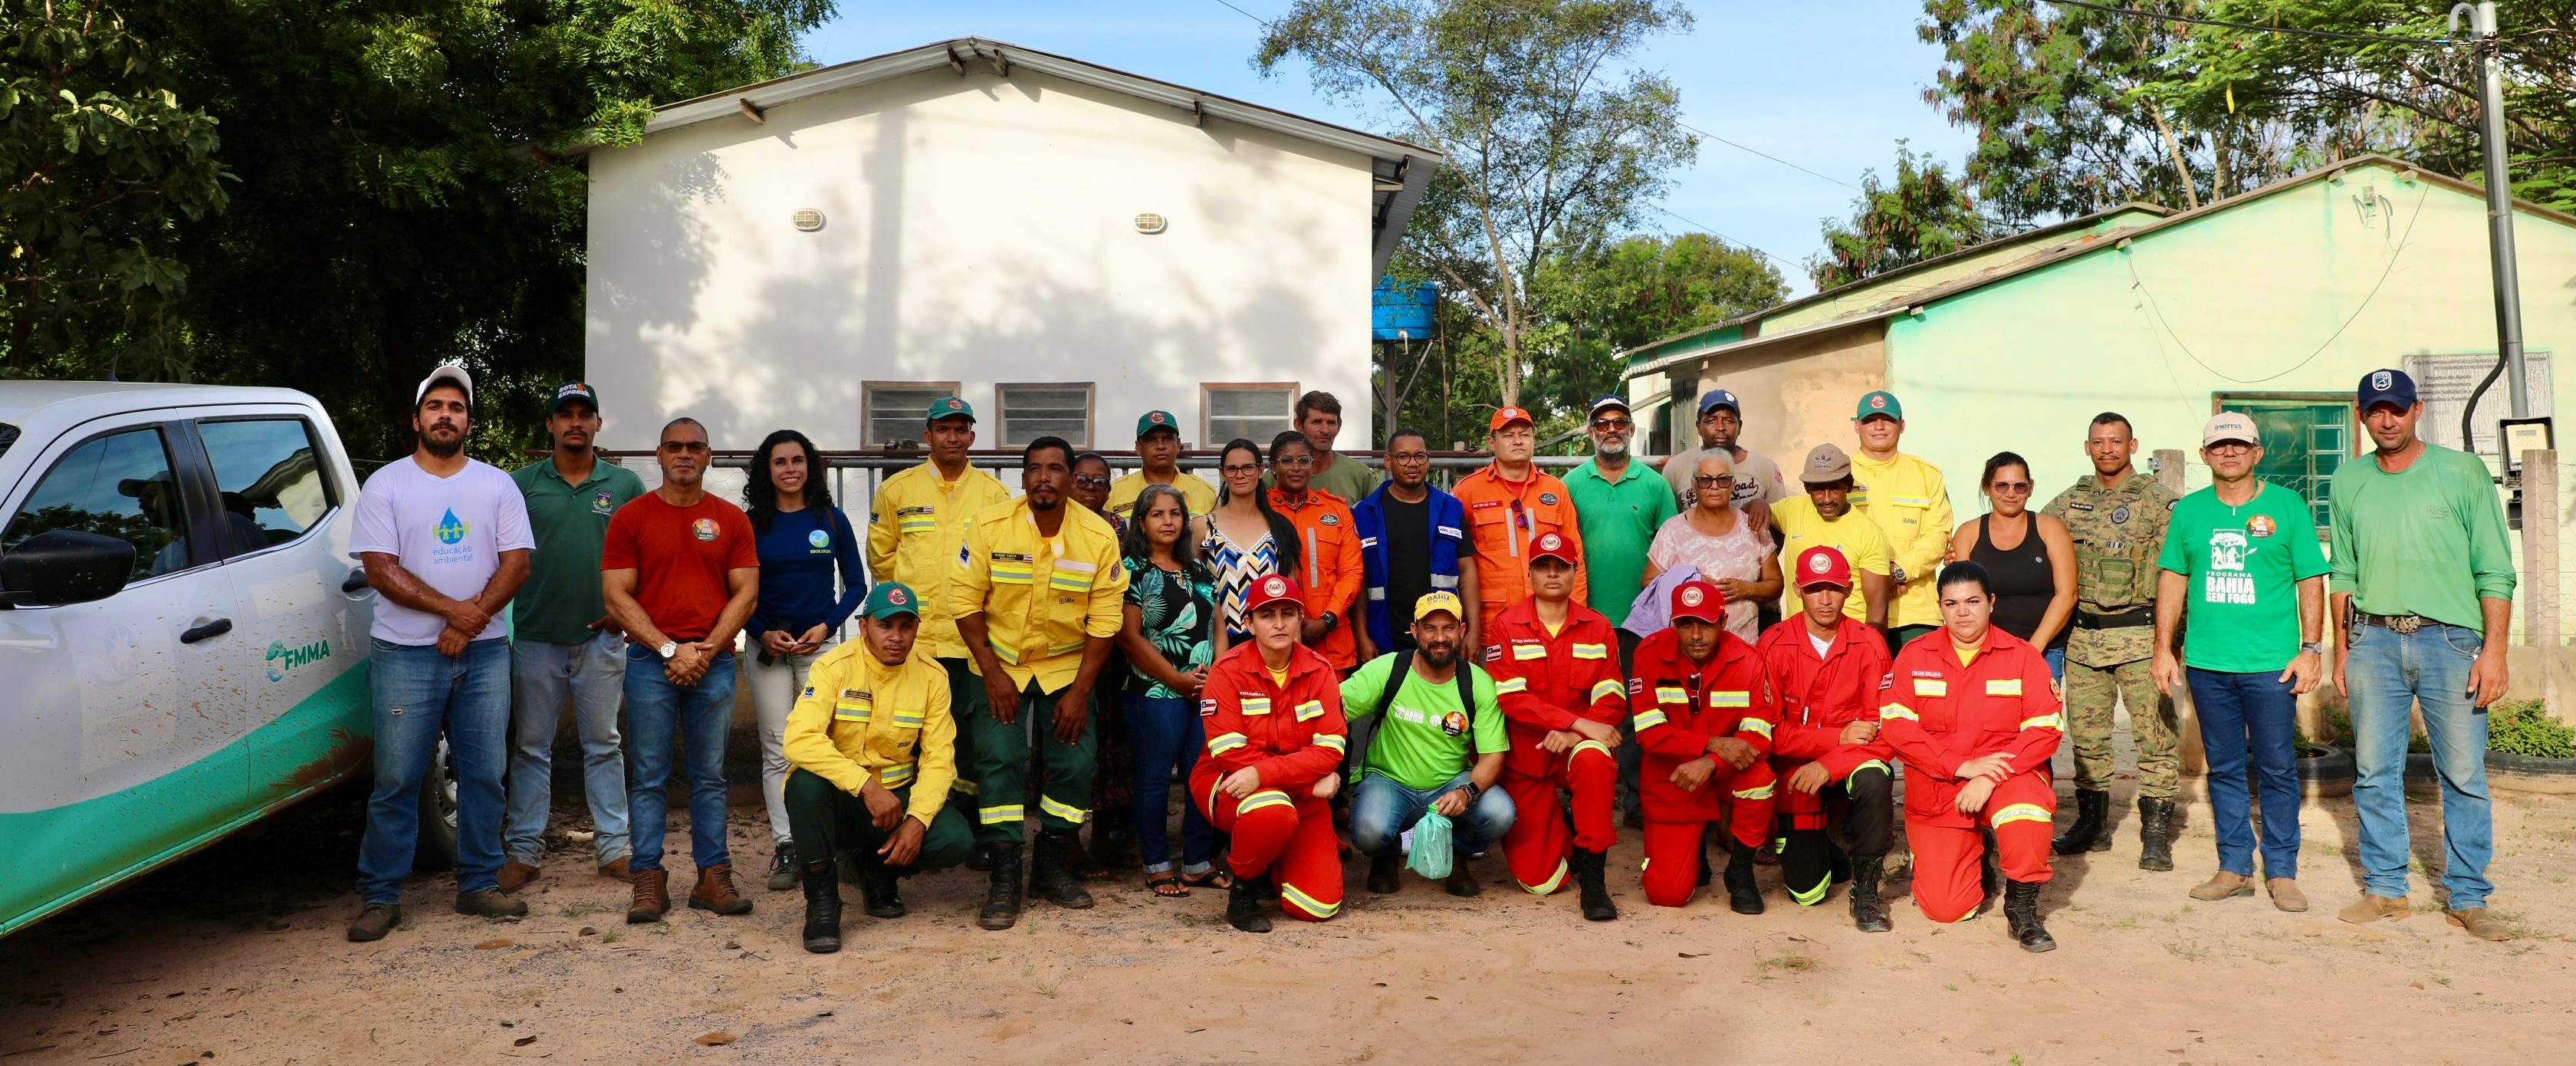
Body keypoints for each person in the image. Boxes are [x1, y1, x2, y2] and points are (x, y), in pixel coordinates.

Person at [346, 364, 534, 942]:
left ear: (469, 423)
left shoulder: (496, 485)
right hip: (405, 654)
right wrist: (459, 613)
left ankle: (477, 883)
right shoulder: (387, 485)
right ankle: (381, 894)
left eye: (456, 407)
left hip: (482, 656)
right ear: (417, 420)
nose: (445, 414)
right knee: (398, 777)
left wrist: (469, 619)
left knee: (484, 774)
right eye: (436, 406)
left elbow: (517, 563)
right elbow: (380, 569)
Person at [2328, 369, 2515, 941]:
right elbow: (2343, 570)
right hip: (2373, 642)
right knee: (2372, 773)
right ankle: (2387, 890)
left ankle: (2469, 898)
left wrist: (2495, 652)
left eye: (2399, 409)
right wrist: (2342, 650)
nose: (2388, 420)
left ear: (2418, 410)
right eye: (2376, 410)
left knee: (2461, 774)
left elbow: (2495, 568)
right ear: (2362, 414)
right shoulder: (2348, 479)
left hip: (2451, 641)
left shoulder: (2462, 472)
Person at [2151, 413, 2328, 913]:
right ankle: (2234, 868)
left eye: (2239, 445)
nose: (2229, 453)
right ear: (2204, 456)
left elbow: (2311, 579)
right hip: (2209, 664)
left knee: (2276, 767)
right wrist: (2165, 647)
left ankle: (2282, 871)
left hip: (2272, 665)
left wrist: (2311, 649)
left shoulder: (2287, 506)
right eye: (2219, 447)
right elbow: (2173, 579)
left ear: (2257, 453)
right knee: (2224, 768)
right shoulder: (2189, 513)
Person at [950, 436, 1130, 930]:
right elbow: (964, 602)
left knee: (1074, 762)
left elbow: (1105, 620)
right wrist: (991, 674)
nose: (1043, 478)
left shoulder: (1097, 536)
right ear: (1022, 477)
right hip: (999, 666)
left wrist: (1078, 693)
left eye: (1055, 469)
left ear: (1071, 479)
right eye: (1034, 469)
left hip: (1066, 668)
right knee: (999, 759)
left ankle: (1050, 866)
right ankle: (1005, 875)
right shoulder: (989, 526)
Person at [602, 416, 761, 924]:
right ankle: (649, 876)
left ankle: (713, 874)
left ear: (709, 456)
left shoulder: (732, 520)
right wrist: (672, 650)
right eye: (675, 446)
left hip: (711, 664)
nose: (685, 454)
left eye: (695, 446)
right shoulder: (630, 518)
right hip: (651, 662)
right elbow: (615, 594)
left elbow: (747, 593)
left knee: (710, 776)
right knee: (648, 776)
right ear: (659, 455)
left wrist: (706, 650)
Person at [1877, 562, 2063, 951]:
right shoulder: (1915, 656)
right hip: (1939, 788)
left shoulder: (2022, 656)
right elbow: (1896, 726)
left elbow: (2045, 728)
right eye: (1952, 603)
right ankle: (1974, 854)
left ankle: (2022, 906)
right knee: (1946, 910)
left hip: (2005, 777)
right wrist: (1959, 766)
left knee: (2026, 810)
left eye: (1973, 601)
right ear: (1940, 607)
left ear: (1991, 603)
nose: (1963, 612)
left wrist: (1988, 776)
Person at [501, 381, 642, 894]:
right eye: (567, 414)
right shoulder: (519, 484)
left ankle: (614, 849)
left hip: (601, 640)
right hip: (535, 636)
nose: (576, 422)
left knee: (603, 744)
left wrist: (624, 616)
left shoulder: (624, 486)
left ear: (599, 424)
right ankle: (523, 851)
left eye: (586, 414)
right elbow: (501, 555)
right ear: (551, 425)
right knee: (531, 747)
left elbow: (643, 557)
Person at [778, 582, 974, 952]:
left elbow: (939, 760)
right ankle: (822, 904)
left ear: (918, 628)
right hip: (846, 800)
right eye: (886, 626)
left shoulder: (932, 676)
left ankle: (878, 870)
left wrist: (917, 821)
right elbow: (798, 739)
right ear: (864, 627)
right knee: (804, 785)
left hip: (897, 802)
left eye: (906, 626)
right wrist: (866, 786)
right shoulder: (833, 667)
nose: (896, 637)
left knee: (955, 840)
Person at [866, 396, 1014, 850]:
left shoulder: (993, 494)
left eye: (960, 429)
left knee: (970, 742)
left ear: (972, 437)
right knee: (908, 737)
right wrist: (906, 616)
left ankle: (966, 830)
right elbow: (881, 556)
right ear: (927, 436)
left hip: (970, 643)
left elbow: (1000, 564)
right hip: (914, 643)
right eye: (943, 429)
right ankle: (907, 827)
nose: (952, 437)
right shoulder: (898, 490)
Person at [2040, 412, 2180, 865]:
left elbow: (2181, 575)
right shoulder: (2066, 504)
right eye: (2098, 442)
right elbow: (2028, 542)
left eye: (2116, 441)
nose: (2107, 449)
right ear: (2087, 447)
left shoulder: (2161, 503)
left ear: (2133, 445)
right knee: (2088, 739)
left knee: (2155, 738)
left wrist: (2173, 643)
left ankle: (2155, 833)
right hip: (2084, 641)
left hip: (2142, 638)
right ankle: (2092, 825)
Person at [743, 429, 868, 892]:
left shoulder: (831, 520)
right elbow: (737, 591)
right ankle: (787, 846)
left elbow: (856, 584)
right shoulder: (752, 523)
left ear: (811, 468)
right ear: (767, 470)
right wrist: (761, 633)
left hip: (822, 652)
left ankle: (838, 842)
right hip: (768, 650)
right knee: (777, 748)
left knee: (832, 743)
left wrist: (827, 626)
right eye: (780, 462)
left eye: (799, 460)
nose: (791, 469)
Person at [1193, 574, 1352, 932]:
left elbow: (1331, 751)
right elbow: (1229, 754)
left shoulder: (1321, 672)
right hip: (1230, 784)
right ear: (1248, 623)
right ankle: (1244, 892)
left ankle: (1274, 859)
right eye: (1267, 615)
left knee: (1318, 906)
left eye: (1288, 613)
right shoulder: (1227, 672)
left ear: (1300, 619)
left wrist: (1268, 775)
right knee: (1272, 811)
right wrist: (1306, 787)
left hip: (1280, 787)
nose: (1279, 624)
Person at [1486, 533, 1628, 918]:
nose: (1552, 574)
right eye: (1543, 566)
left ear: (1574, 573)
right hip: (1528, 755)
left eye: (1561, 567)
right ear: (1529, 572)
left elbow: (1612, 699)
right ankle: (1565, 828)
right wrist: (1575, 721)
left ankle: (1594, 879)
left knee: (1596, 762)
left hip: (1580, 747)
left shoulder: (1598, 627)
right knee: (1541, 880)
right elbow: (1512, 699)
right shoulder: (1505, 626)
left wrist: (1574, 734)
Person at [1756, 546, 1897, 931]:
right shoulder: (1773, 643)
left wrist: (1827, 763)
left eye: (1833, 588)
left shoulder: (1869, 643)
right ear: (1798, 589)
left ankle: (1866, 892)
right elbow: (1767, 730)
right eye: (1815, 588)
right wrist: (1835, 739)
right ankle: (1829, 847)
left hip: (1845, 762)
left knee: (1874, 778)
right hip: (1795, 766)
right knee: (1807, 891)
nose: (1825, 599)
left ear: (1849, 590)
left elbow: (1882, 733)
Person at [1339, 591, 1513, 897]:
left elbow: (1494, 756)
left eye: (1448, 628)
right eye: (1430, 628)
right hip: (1390, 782)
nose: (1440, 638)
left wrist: (1466, 791)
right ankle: (1386, 856)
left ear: (1462, 631)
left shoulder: (1477, 683)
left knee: (1500, 812)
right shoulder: (1389, 669)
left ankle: (1457, 856)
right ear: (1414, 631)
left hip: (1450, 784)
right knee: (1369, 831)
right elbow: (1334, 707)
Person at [1627, 579, 1777, 912]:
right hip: (1673, 776)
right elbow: (1649, 733)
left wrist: (1710, 762)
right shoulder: (1649, 654)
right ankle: (1693, 851)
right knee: (1667, 895)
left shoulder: (1748, 660)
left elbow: (1759, 735)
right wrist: (1710, 744)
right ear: (1673, 623)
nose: (1696, 635)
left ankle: (1740, 870)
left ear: (1723, 622)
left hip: (1724, 772)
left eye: (1705, 624)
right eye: (1685, 624)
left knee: (1761, 779)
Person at [1116, 483, 1225, 897]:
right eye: (1157, 514)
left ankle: (1197, 862)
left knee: (1203, 775)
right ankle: (1158, 864)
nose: (1168, 521)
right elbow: (1128, 638)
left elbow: (1218, 626)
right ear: (1141, 522)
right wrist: (1175, 679)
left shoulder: (1200, 569)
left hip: (1205, 692)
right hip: (1154, 692)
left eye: (1175, 513)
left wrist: (1218, 674)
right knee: (1154, 780)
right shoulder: (1131, 570)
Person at [1454, 406, 1585, 635]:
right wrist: (1466, 629)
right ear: (1492, 443)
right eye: (1508, 435)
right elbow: (1456, 563)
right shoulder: (1468, 492)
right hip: (1491, 623)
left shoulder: (1556, 489)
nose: (1518, 441)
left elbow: (1575, 559)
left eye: (1525, 434)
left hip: (1550, 621)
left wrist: (1577, 615)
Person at [1569, 394, 1678, 661]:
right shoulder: (1569, 485)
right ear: (1590, 432)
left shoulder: (1656, 484)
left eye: (1619, 422)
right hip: (1585, 615)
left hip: (1644, 616)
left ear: (1631, 429)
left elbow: (1671, 553)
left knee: (1636, 695)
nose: (1612, 430)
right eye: (1602, 424)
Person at [1947, 452, 2075, 674]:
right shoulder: (1968, 533)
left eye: (2020, 487)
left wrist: (2033, 649)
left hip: (2043, 652)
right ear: (1986, 487)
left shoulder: (2050, 529)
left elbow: (2067, 594)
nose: (2010, 494)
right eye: (2001, 486)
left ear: (2031, 487)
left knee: (2041, 710)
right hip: (1982, 652)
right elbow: (1960, 598)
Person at [1352, 427, 1476, 655]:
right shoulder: (1364, 513)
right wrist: (1362, 636)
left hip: (1440, 637)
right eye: (1403, 456)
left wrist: (1474, 631)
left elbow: (1467, 572)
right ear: (1388, 461)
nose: (1412, 463)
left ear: (1428, 461)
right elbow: (1358, 582)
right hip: (1383, 634)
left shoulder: (1451, 509)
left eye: (1420, 456)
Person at [1070, 449, 1135, 874]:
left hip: (1111, 650)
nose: (1091, 488)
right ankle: (1064, 841)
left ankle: (1109, 836)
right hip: (1061, 651)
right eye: (1083, 480)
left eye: (1100, 481)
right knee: (1067, 743)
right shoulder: (1051, 521)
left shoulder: (1118, 527)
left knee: (1112, 744)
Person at [1848, 390, 1953, 648]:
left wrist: (1896, 573)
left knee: (1920, 687)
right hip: (1854, 611)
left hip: (1915, 613)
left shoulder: (1926, 474)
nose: (1880, 427)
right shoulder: (1841, 475)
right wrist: (1875, 580)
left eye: (1888, 420)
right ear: (1857, 426)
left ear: (1902, 426)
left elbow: (1938, 536)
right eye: (1871, 420)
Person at [1644, 451, 1783, 644]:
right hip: (1687, 651)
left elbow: (1776, 584)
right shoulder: (1673, 531)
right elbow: (1648, 584)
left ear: (1733, 485)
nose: (1715, 486)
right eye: (1705, 480)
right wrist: (1691, 584)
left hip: (1742, 652)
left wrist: (1746, 589)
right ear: (1693, 485)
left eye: (1723, 479)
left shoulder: (1752, 527)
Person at [1265, 432, 1365, 670]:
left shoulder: (1337, 510)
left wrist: (1327, 620)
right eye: (1287, 461)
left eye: (1304, 461)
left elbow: (1351, 572)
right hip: (1275, 638)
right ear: (1273, 467)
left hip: (1332, 640)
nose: (1296, 468)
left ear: (1313, 464)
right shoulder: (1260, 510)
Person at [1769, 443, 1895, 629]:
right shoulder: (1791, 510)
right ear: (1807, 488)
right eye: (1818, 490)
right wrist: (1757, 504)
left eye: (1835, 489)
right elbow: (1744, 518)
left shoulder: (1869, 534)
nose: (1827, 499)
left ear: (1849, 486)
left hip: (1848, 644)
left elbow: (1877, 609)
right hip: (1797, 644)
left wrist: (1869, 652)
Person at [1201, 438, 1301, 647]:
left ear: (1261, 470)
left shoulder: (1279, 528)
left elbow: (1291, 596)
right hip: (1218, 646)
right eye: (1232, 469)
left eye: (1248, 467)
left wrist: (1296, 649)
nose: (1240, 475)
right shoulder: (1204, 526)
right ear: (1222, 473)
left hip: (1271, 645)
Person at [1660, 388, 1788, 526]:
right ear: (1698, 427)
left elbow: (1779, 524)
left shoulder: (1765, 467)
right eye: (1711, 420)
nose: (1720, 427)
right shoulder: (1676, 467)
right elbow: (1669, 524)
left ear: (1740, 426)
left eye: (1728, 420)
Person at [1105, 410, 1217, 523]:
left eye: (1167, 439)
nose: (1160, 446)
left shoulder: (1204, 492)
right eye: (1151, 440)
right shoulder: (1113, 492)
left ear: (1178, 445)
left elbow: (1213, 537)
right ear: (1138, 448)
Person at [1270, 390, 1382, 503]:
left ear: (1339, 425)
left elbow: (1373, 516)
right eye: (1317, 422)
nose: (1325, 430)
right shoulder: (1276, 476)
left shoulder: (1359, 473)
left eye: (1331, 423)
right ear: (1299, 425)